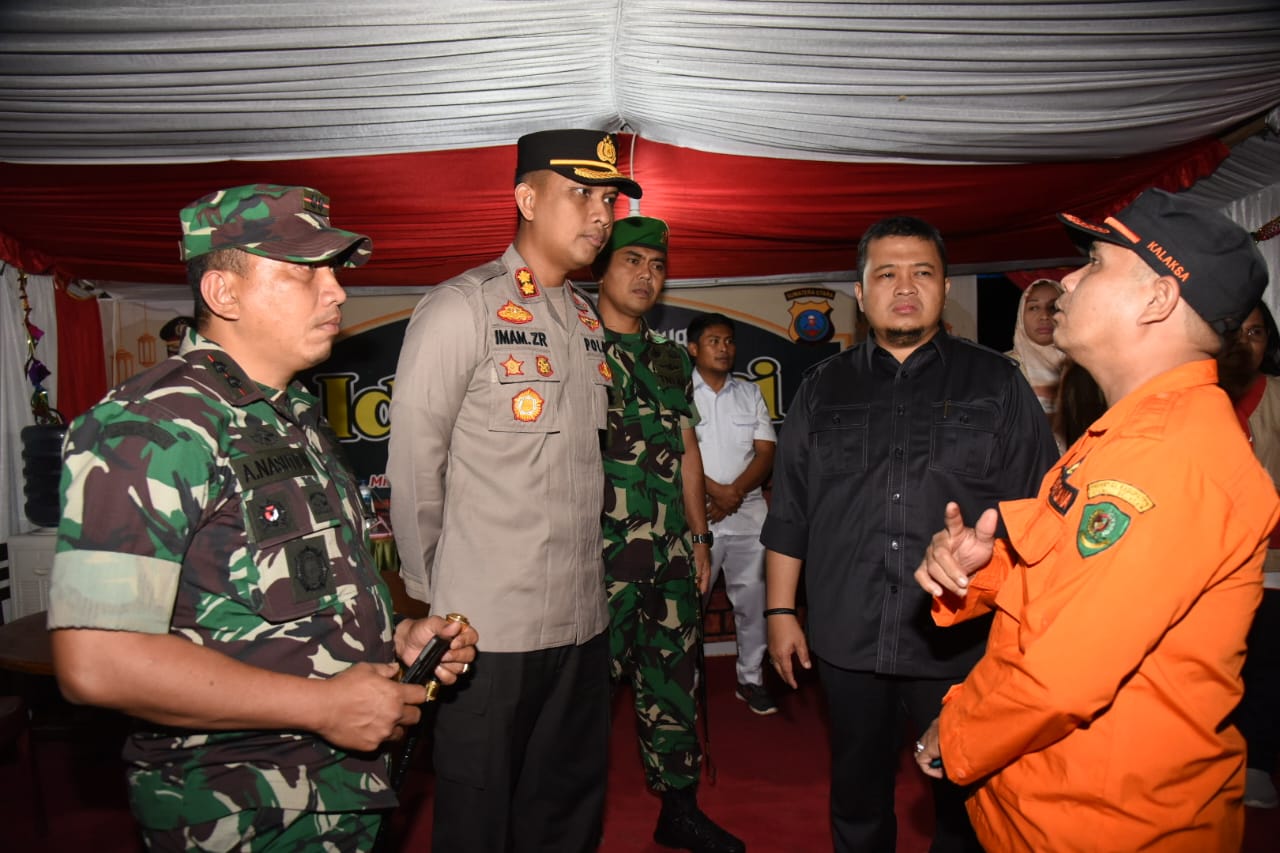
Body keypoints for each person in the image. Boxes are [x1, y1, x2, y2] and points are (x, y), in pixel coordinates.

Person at [47, 183, 478, 851]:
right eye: (305, 273)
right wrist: (324, 706)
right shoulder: (148, 426)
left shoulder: (292, 415)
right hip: (240, 810)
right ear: (224, 293)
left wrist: (393, 639)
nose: (335, 291)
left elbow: (291, 593)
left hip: (334, 796)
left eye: (334, 272)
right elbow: (96, 660)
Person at [914, 188, 1280, 851]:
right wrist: (979, 568)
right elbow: (1063, 573)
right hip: (1051, 800)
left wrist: (956, 729)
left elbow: (1064, 672)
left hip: (1106, 822)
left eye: (1097, 263)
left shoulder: (1173, 457)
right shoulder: (1126, 434)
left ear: (1158, 298)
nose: (1068, 280)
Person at [763, 215, 1058, 853]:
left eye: (921, 272)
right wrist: (781, 611)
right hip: (849, 634)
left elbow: (1039, 512)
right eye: (886, 274)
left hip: (960, 637)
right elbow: (791, 509)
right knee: (858, 794)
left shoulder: (997, 384)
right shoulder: (821, 388)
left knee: (964, 799)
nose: (904, 287)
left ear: (944, 286)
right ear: (861, 292)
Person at [388, 130, 636, 852]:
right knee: (478, 823)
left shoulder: (588, 321)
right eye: (581, 195)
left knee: (565, 816)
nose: (600, 214)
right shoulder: (459, 309)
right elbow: (413, 470)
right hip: (485, 632)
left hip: (582, 623)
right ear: (527, 199)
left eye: (608, 198)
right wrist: (441, 597)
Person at [595, 217, 744, 853]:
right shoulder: (572, 346)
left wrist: (701, 537)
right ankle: (560, 821)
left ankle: (678, 809)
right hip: (597, 559)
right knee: (584, 696)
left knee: (672, 681)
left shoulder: (669, 356)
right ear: (599, 267)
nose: (645, 276)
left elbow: (687, 446)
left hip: (673, 556)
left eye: (656, 266)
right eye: (631, 261)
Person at [687, 312, 778, 715]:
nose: (724, 348)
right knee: (690, 605)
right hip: (697, 518)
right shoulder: (678, 395)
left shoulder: (750, 393)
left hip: (748, 516)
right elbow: (676, 455)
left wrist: (734, 493)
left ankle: (751, 679)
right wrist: (716, 493)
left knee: (753, 602)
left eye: (729, 341)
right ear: (693, 349)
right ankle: (683, 686)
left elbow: (766, 451)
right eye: (713, 341)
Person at [1219, 301, 1280, 810]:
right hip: (1210, 567)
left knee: (1264, 662)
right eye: (1233, 332)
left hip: (1274, 566)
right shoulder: (1197, 401)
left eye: (1256, 332)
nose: (1244, 343)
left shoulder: (1277, 397)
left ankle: (1257, 761)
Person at [1006, 278, 1067, 450]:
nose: (1044, 316)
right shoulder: (1003, 368)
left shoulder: (1086, 367)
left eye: (1053, 307)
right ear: (1020, 315)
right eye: (1033, 307)